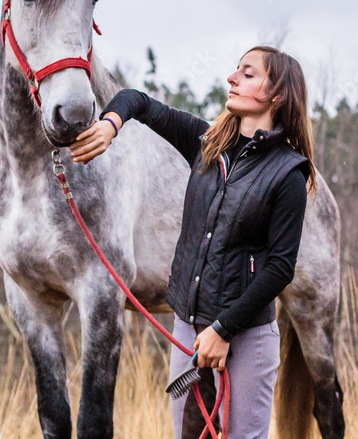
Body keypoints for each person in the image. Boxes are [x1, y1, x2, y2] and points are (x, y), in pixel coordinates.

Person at [69, 44, 318, 439]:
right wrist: (110, 124)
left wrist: (223, 329)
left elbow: (279, 268)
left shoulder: (288, 174)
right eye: (236, 70)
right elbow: (139, 101)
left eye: (248, 73)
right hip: (187, 328)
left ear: (277, 93)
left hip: (247, 337)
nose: (232, 78)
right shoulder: (205, 143)